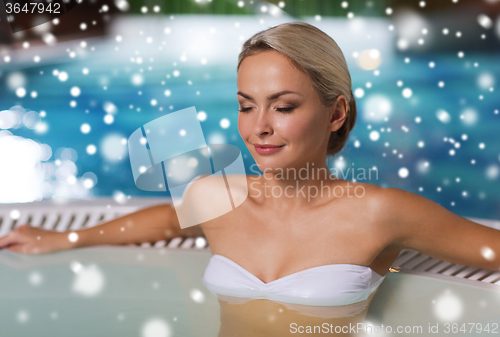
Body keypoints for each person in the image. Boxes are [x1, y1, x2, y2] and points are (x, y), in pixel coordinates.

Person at [1, 21, 499, 335]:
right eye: (245, 106)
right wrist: (64, 238)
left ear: (335, 113)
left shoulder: (379, 213)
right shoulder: (219, 197)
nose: (259, 126)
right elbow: (161, 221)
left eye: (284, 107)